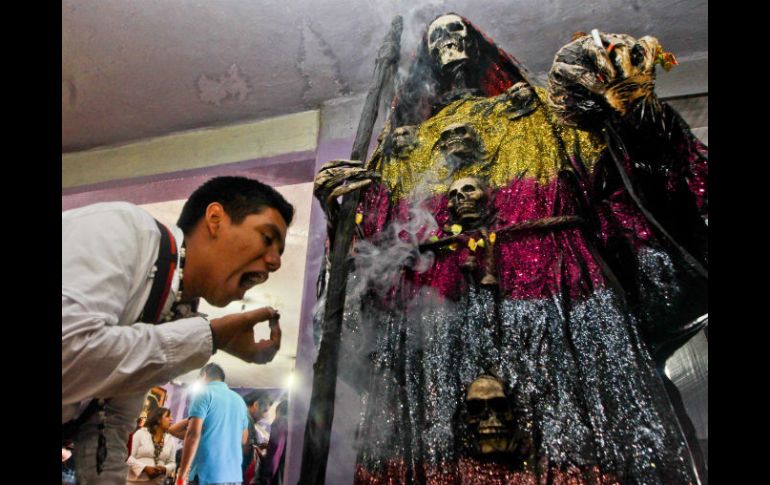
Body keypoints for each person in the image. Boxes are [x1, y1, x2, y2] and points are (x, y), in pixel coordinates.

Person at [314, 13, 707, 484]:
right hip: (435, 332)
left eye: (459, 32)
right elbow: (371, 258)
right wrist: (343, 213)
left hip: (560, 314)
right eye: (438, 36)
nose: (450, 43)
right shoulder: (404, 152)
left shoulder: (540, 119)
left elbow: (635, 191)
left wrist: (637, 120)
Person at [63, 176, 292, 485]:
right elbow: (68, 353)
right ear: (215, 219)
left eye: (280, 250)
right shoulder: (122, 229)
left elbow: (109, 425)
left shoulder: (172, 310)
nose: (275, 262)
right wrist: (211, 336)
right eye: (267, 237)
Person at [175, 363, 250, 485]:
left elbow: (193, 435)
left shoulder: (204, 393)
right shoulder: (240, 401)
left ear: (203, 375)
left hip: (208, 474)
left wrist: (181, 476)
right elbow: (243, 439)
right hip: (233, 476)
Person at [126, 407, 177, 485]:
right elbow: (128, 457)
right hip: (134, 482)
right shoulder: (141, 433)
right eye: (168, 416)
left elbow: (172, 463)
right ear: (158, 419)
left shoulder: (170, 439)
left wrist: (164, 469)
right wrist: (144, 468)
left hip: (157, 482)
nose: (171, 419)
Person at [242, 392, 271, 484]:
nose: (265, 416)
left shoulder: (240, 415)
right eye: (265, 411)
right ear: (256, 405)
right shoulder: (247, 420)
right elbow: (245, 447)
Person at [256, 400, 288, 485]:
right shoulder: (297, 425)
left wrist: (266, 477)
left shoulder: (280, 422)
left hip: (277, 475)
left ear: (279, 411)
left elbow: (275, 453)